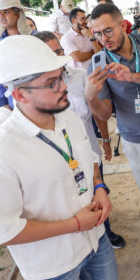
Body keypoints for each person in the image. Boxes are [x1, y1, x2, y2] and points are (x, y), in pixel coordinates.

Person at [0, 35, 136, 280]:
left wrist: (101, 188)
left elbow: (90, 159)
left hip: (95, 238)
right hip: (52, 261)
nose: (64, 86)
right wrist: (74, 224)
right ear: (18, 94)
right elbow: (4, 232)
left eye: (61, 76)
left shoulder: (67, 117)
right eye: (51, 82)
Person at [85, 3, 140, 263]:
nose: (103, 39)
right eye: (97, 34)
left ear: (123, 25)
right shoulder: (96, 65)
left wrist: (131, 76)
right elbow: (104, 111)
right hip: (136, 137)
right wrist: (91, 97)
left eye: (108, 31)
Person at [35, 30, 125, 250]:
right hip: (57, 160)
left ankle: (105, 232)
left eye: (59, 51)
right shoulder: (33, 89)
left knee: (97, 191)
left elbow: (97, 113)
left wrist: (105, 140)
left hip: (88, 151)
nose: (57, 57)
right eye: (50, 53)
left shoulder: (79, 77)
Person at [0, 0, 33, 109]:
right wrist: (3, 103)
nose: (1, 16)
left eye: (6, 12)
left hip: (36, 99)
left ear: (18, 13)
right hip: (11, 102)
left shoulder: (34, 38)